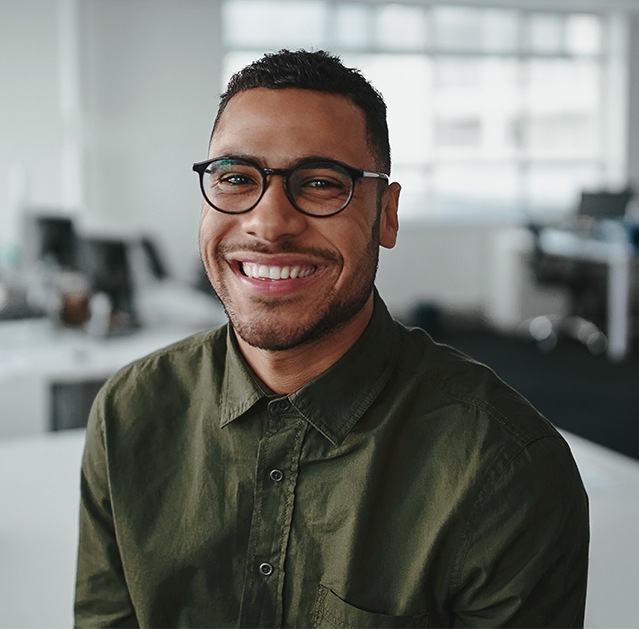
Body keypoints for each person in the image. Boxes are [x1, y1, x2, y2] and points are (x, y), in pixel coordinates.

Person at [74, 49, 589, 627]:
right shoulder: (129, 412)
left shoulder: (504, 467)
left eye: (320, 183)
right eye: (237, 178)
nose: (268, 223)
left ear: (386, 215)